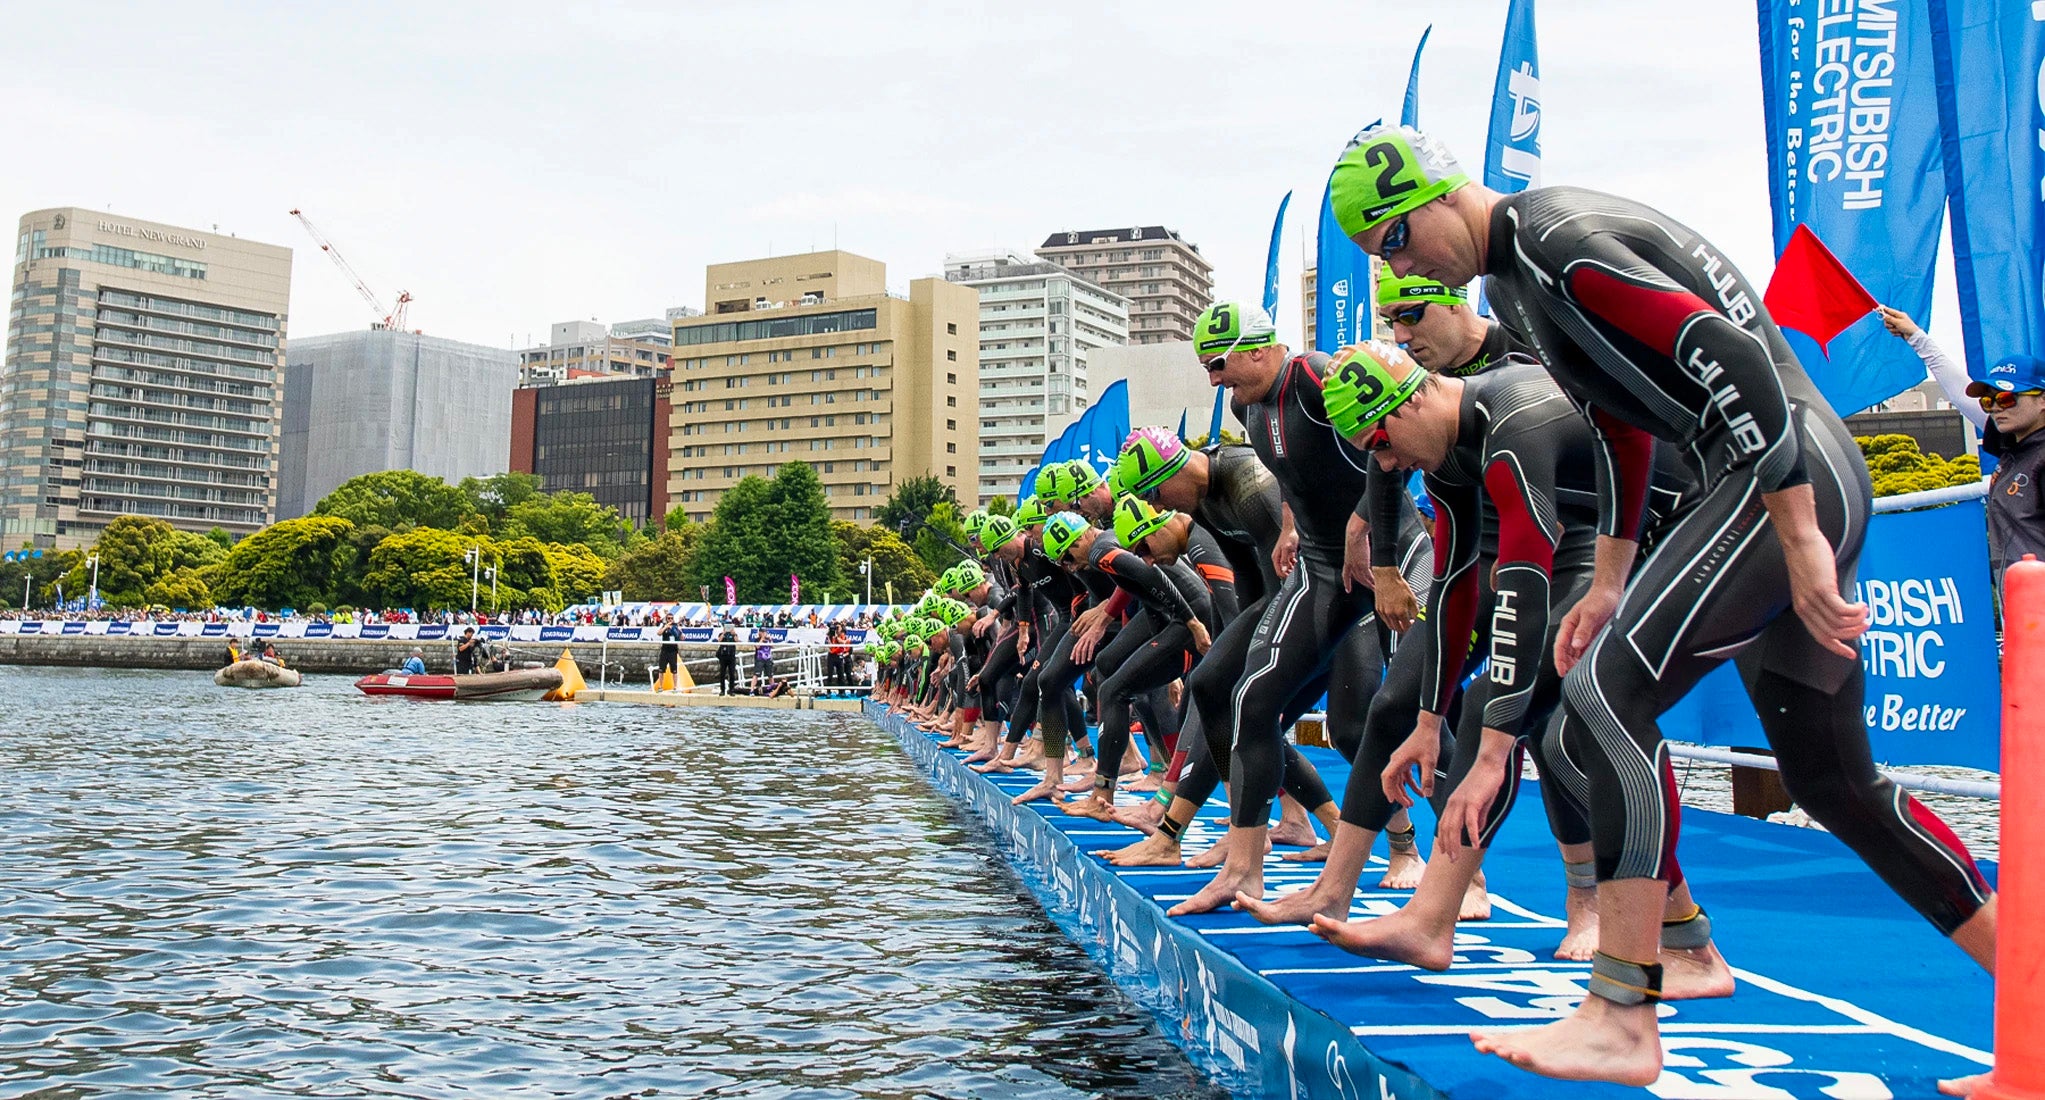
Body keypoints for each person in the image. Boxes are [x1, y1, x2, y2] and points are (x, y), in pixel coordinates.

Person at [1331, 122, 1995, 1085]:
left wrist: (1800, 532)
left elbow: (1733, 350)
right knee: (1832, 781)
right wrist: (1608, 579)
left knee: (1601, 701)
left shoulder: (1548, 237)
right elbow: (1617, 424)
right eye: (1379, 258)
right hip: (1774, 477)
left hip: (1776, 472)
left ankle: (1619, 1011)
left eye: (1396, 239)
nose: (1405, 268)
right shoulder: (1513, 280)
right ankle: (2035, 996)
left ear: (1440, 195)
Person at [1880, 306, 2045, 602]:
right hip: (2023, 615)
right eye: (1989, 400)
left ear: (2042, 400)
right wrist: (1916, 337)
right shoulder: (2013, 445)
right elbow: (1959, 392)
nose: (1996, 407)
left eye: (2007, 398)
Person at [657, 616, 682, 685]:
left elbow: (682, 637)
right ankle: (660, 686)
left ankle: (675, 687)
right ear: (666, 619)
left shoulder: (675, 627)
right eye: (668, 618)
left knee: (674, 670)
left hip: (673, 650)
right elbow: (658, 633)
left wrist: (678, 630)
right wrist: (666, 627)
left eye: (671, 618)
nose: (670, 620)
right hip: (664, 650)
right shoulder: (664, 626)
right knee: (661, 670)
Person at [717, 623, 739, 696]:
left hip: (731, 656)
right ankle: (722, 690)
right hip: (723, 656)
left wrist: (734, 634)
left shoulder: (734, 635)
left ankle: (731, 690)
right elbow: (719, 641)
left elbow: (736, 641)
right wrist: (723, 633)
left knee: (732, 673)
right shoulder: (721, 634)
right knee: (722, 674)